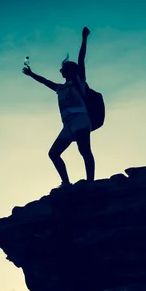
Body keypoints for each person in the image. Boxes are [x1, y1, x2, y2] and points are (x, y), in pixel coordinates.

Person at [22, 26, 95, 187]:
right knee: (54, 153)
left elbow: (81, 59)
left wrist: (84, 38)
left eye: (63, 68)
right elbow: (45, 82)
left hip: (81, 120)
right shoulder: (60, 88)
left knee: (84, 151)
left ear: (70, 70)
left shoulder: (78, 82)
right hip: (67, 125)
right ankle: (66, 183)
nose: (60, 70)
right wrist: (31, 74)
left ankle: (91, 182)